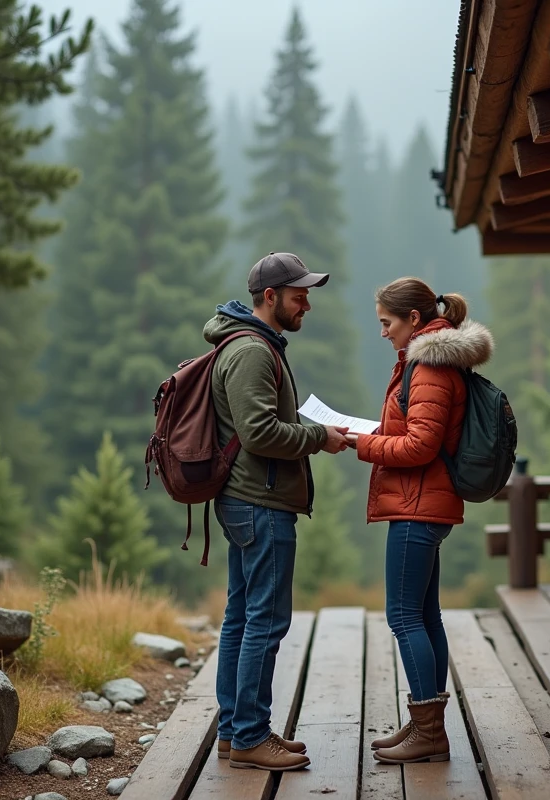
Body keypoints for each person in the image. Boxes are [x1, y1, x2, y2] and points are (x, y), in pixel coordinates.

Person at [203, 252, 350, 772]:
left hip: (248, 501)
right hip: (258, 503)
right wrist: (321, 436)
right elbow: (261, 433)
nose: (307, 302)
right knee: (263, 622)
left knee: (242, 619)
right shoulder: (251, 351)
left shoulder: (252, 344)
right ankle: (248, 736)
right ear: (271, 297)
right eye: (299, 293)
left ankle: (236, 730)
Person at [346, 277, 493, 764]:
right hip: (425, 503)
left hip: (417, 506)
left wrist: (358, 442)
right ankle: (426, 722)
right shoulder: (432, 360)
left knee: (404, 616)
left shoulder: (428, 365)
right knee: (426, 615)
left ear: (413, 320)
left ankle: (429, 731)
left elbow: (419, 446)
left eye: (386, 323)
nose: (383, 333)